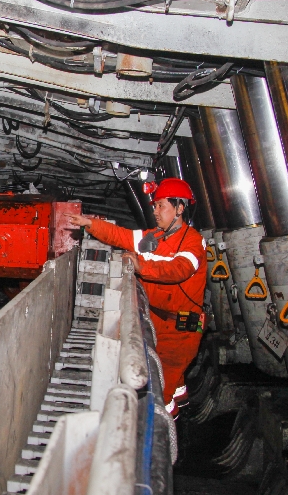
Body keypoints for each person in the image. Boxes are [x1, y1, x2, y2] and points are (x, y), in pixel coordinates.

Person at [68, 178, 207, 416]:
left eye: (161, 205)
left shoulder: (193, 241)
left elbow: (179, 269)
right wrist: (90, 223)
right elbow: (120, 235)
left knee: (159, 393)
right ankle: (181, 407)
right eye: (155, 206)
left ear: (179, 208)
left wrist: (142, 267)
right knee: (169, 381)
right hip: (158, 321)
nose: (155, 211)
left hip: (181, 330)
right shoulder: (154, 237)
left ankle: (164, 429)